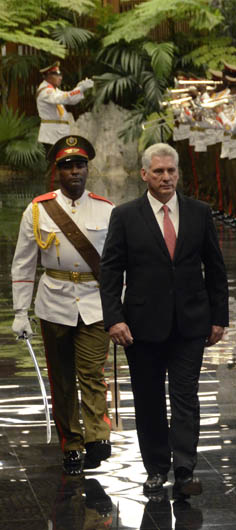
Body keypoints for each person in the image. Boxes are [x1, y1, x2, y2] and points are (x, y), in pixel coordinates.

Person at [99, 143, 229, 498]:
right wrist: (114, 318)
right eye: (158, 172)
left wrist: (220, 317)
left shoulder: (199, 213)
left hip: (191, 323)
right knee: (149, 399)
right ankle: (156, 468)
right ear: (144, 175)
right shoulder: (126, 216)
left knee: (186, 396)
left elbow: (216, 269)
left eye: (171, 171)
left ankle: (185, 470)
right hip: (141, 326)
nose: (166, 177)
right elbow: (110, 271)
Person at [10, 135, 114, 475]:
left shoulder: (106, 209)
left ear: (87, 169)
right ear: (58, 171)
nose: (74, 172)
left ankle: (97, 436)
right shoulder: (38, 209)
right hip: (53, 302)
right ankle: (72, 443)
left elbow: (117, 263)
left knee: (91, 372)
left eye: (80, 165)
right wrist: (20, 312)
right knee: (63, 379)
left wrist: (122, 306)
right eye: (67, 166)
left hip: (95, 303)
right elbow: (24, 263)